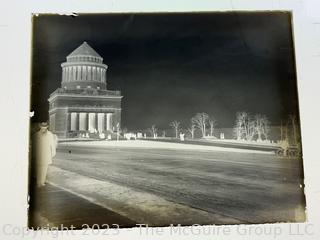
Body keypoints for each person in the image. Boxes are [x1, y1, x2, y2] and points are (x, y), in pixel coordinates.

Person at [32, 122, 57, 187]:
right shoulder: (36, 135)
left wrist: (53, 153)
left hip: (46, 154)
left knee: (44, 169)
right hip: (39, 154)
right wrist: (34, 154)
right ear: (40, 127)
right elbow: (34, 146)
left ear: (47, 127)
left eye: (45, 126)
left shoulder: (50, 134)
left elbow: (52, 145)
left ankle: (42, 182)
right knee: (38, 169)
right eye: (42, 126)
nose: (43, 128)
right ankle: (38, 182)